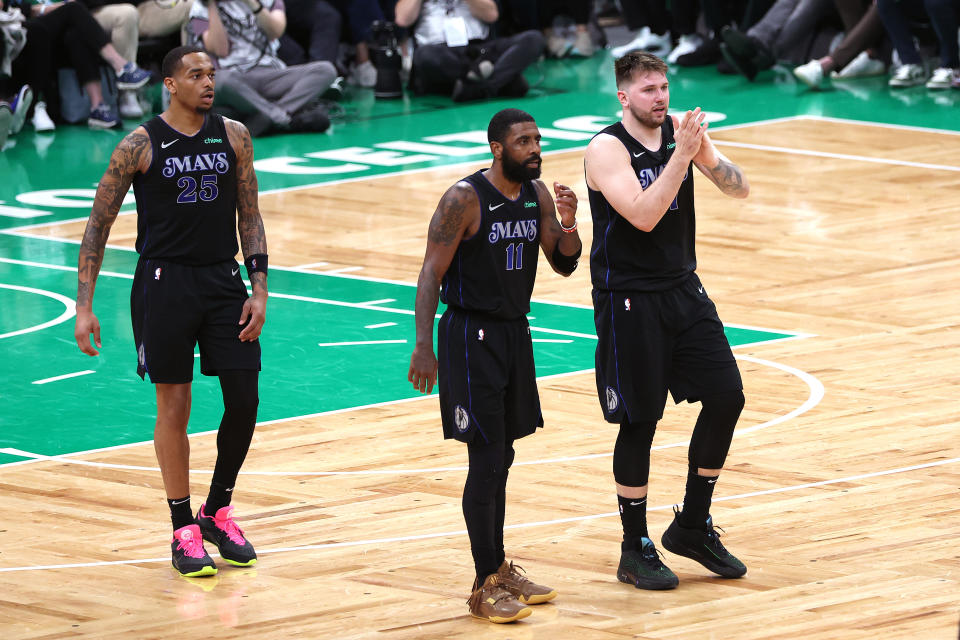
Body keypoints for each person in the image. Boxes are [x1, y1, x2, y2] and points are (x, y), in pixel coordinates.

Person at [74, 44, 267, 578]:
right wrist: (84, 304)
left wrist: (259, 286)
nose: (208, 82)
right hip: (163, 284)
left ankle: (217, 509)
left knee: (246, 399)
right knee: (174, 403)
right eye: (196, 75)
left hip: (223, 280)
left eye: (212, 73)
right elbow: (98, 224)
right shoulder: (138, 144)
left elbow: (249, 214)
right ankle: (183, 527)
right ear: (170, 84)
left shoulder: (234, 135)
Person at [583, 51, 750, 590]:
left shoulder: (680, 132)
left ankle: (693, 525)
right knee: (640, 422)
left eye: (664, 87)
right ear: (623, 96)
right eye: (649, 89)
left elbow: (737, 187)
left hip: (683, 288)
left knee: (728, 395)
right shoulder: (606, 149)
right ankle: (634, 548)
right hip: (629, 299)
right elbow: (644, 215)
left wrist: (709, 157)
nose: (661, 97)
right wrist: (684, 155)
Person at [408, 108, 582, 622]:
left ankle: (499, 570)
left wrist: (569, 224)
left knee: (502, 457)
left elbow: (564, 261)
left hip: (513, 334)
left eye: (537, 138)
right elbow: (428, 274)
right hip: (469, 337)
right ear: (497, 148)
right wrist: (423, 345)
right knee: (485, 461)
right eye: (523, 141)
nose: (535, 147)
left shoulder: (537, 195)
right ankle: (484, 585)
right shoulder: (464, 198)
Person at [187, 0, 337, 135]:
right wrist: (211, 6)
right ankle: (284, 118)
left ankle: (268, 117)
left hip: (270, 75)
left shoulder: (269, 1)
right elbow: (220, 50)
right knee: (220, 80)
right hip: (233, 79)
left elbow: (276, 31)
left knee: (325, 70)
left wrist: (252, 3)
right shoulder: (200, 7)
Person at [394, 0, 544, 102]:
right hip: (442, 51)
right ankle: (502, 82)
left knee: (533, 39)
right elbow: (402, 19)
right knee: (424, 55)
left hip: (480, 50)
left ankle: (479, 88)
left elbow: (491, 15)